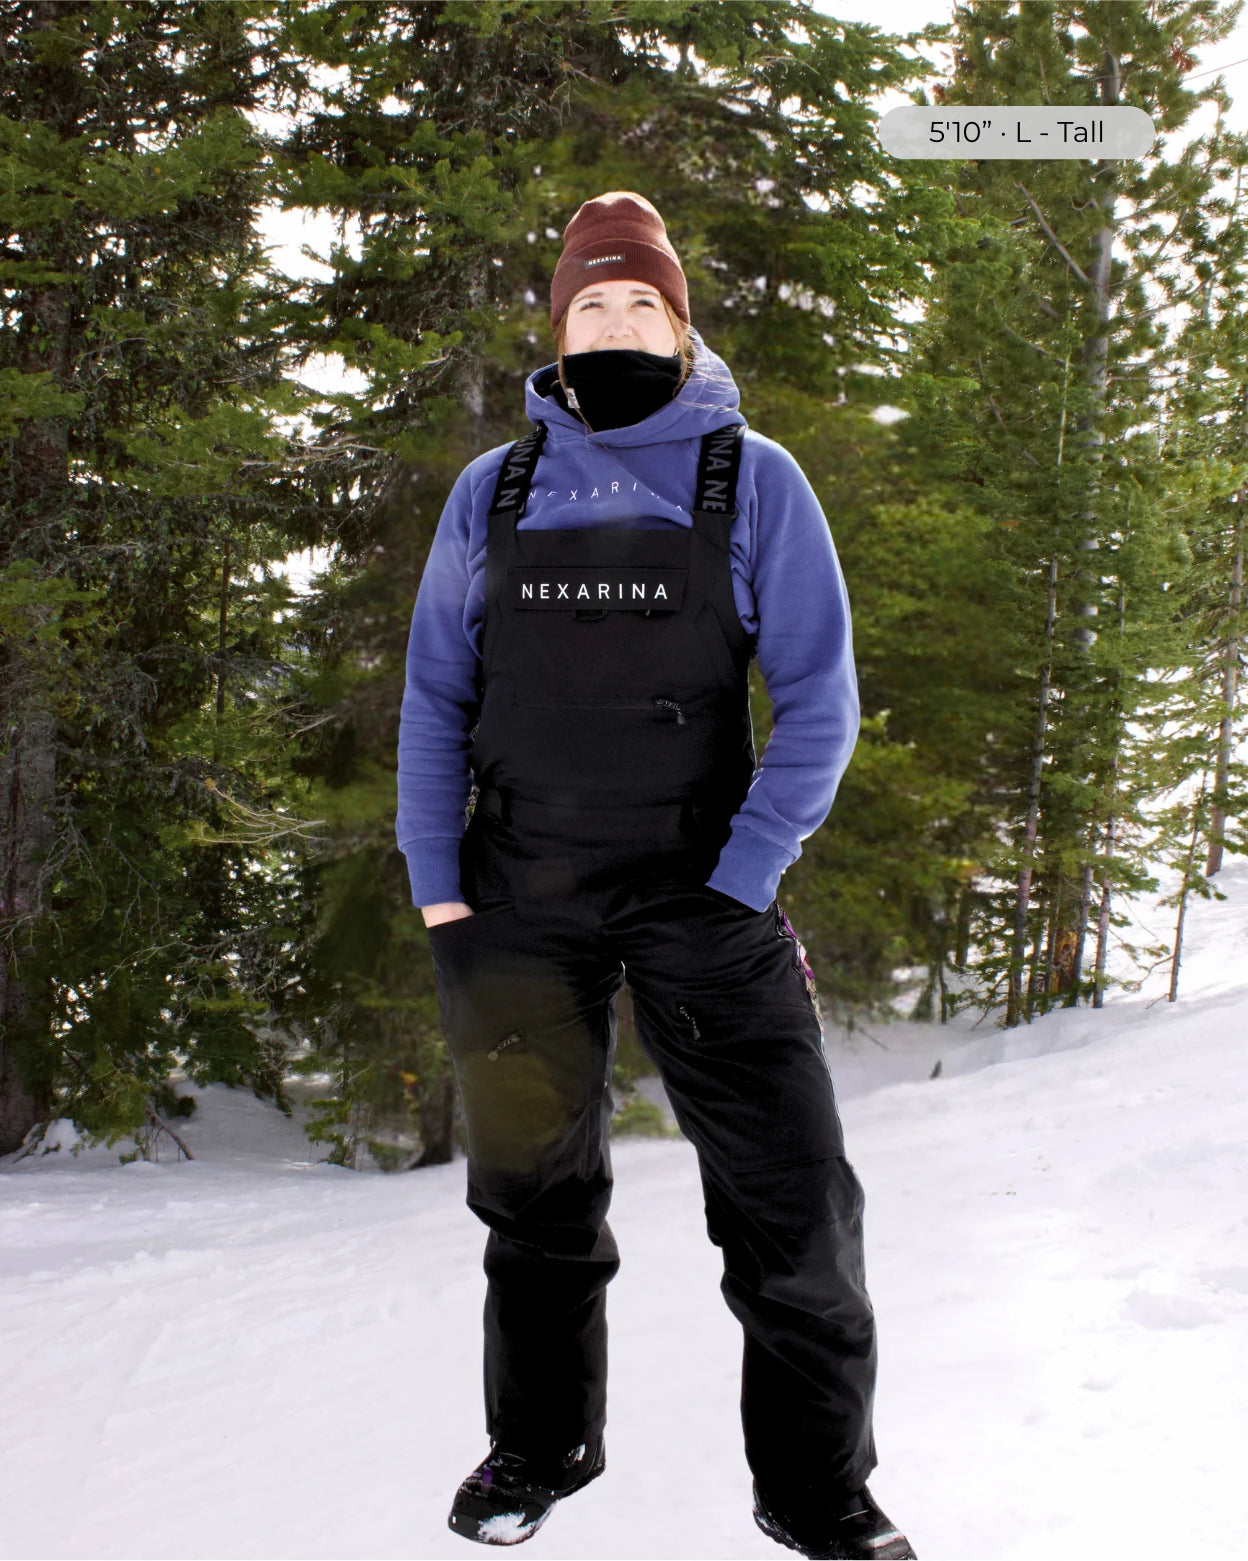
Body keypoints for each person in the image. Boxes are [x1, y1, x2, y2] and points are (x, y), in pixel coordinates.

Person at [396, 191, 915, 1560]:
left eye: (641, 304)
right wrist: (439, 882)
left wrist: (747, 875)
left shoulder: (754, 477)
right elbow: (436, 693)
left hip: (707, 892)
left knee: (794, 1203)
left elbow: (821, 699)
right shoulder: (491, 489)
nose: (616, 322)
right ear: (557, 330)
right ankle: (540, 1443)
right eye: (592, 304)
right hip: (519, 899)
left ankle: (817, 1486)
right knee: (533, 1202)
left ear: (679, 329)